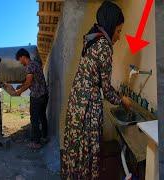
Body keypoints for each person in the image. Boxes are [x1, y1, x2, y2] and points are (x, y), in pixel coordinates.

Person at [61, 1, 132, 179]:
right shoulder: (104, 47)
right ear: (110, 28)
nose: (119, 37)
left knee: (76, 147)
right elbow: (106, 90)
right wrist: (122, 100)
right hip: (88, 107)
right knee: (88, 148)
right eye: (118, 31)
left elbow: (100, 81)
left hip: (77, 102)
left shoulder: (92, 40)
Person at [15, 48, 49, 149]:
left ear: (23, 57)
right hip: (44, 94)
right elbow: (30, 80)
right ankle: (44, 137)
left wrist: (19, 91)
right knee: (42, 116)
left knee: (34, 119)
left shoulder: (29, 66)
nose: (20, 62)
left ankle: (36, 142)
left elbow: (29, 82)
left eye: (19, 59)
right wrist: (21, 86)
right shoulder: (36, 64)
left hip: (36, 96)